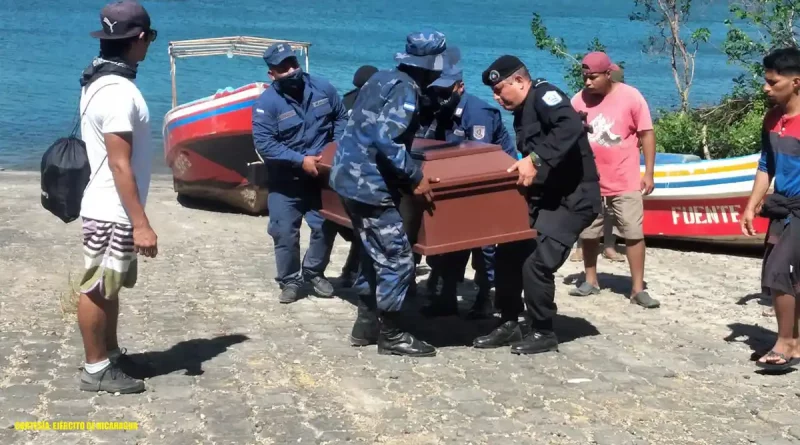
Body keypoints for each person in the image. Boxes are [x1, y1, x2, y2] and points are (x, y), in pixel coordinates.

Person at [329, 30, 451, 357]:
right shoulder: (407, 91)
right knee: (398, 258)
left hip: (346, 178)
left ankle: (366, 324)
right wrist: (414, 177)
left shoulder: (380, 79)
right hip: (370, 185)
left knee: (373, 252)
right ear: (429, 66)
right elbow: (386, 140)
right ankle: (393, 334)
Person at [473, 55, 601, 354]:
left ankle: (543, 330)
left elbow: (569, 125)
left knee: (536, 263)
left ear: (519, 81)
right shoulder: (523, 110)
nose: (496, 96)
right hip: (545, 197)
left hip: (574, 199)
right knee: (508, 253)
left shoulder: (545, 95)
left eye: (500, 89)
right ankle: (509, 322)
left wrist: (534, 159)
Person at [76, 0, 158, 393]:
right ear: (139, 39)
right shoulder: (118, 92)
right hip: (111, 209)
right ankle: (95, 368)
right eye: (150, 38)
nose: (149, 45)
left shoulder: (98, 80)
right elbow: (119, 164)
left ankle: (109, 354)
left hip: (109, 207)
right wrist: (141, 224)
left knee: (109, 285)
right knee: (96, 286)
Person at [417, 58, 516, 319]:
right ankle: (447, 297)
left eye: (444, 90)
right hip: (457, 186)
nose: (439, 95)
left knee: (485, 247)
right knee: (448, 244)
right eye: (435, 90)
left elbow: (477, 158)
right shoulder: (439, 113)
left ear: (460, 87)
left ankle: (485, 299)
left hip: (490, 185)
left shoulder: (478, 113)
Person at [252, 42, 348, 304]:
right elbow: (265, 145)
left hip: (321, 176)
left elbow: (341, 118)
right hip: (286, 180)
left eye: (293, 64)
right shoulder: (266, 104)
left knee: (325, 226)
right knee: (284, 231)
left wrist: (333, 149)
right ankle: (290, 280)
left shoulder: (323, 87)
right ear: (272, 74)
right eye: (283, 68)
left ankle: (314, 271)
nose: (292, 70)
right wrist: (299, 160)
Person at [568, 52, 659, 309]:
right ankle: (590, 280)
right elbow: (568, 137)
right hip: (590, 181)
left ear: (608, 74)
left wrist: (649, 172)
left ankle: (637, 289)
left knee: (633, 233)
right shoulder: (578, 101)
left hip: (625, 179)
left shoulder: (631, 97)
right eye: (585, 77)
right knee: (589, 233)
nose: (587, 83)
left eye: (593, 77)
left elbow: (646, 134)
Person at [741, 47, 800, 371]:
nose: (765, 87)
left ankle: (784, 343)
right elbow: (766, 165)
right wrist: (752, 206)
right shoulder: (773, 118)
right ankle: (795, 339)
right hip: (782, 207)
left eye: (772, 81)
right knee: (787, 275)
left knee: (778, 271)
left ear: (796, 83)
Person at [570, 62, 625, 264]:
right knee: (585, 208)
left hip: (614, 169)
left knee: (610, 211)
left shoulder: (622, 98)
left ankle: (609, 245)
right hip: (588, 166)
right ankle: (581, 246)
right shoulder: (582, 99)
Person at [334, 65, 379, 290]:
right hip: (368, 174)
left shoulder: (347, 101)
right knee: (365, 229)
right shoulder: (381, 104)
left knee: (359, 229)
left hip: (345, 172)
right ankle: (356, 272)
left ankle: (349, 271)